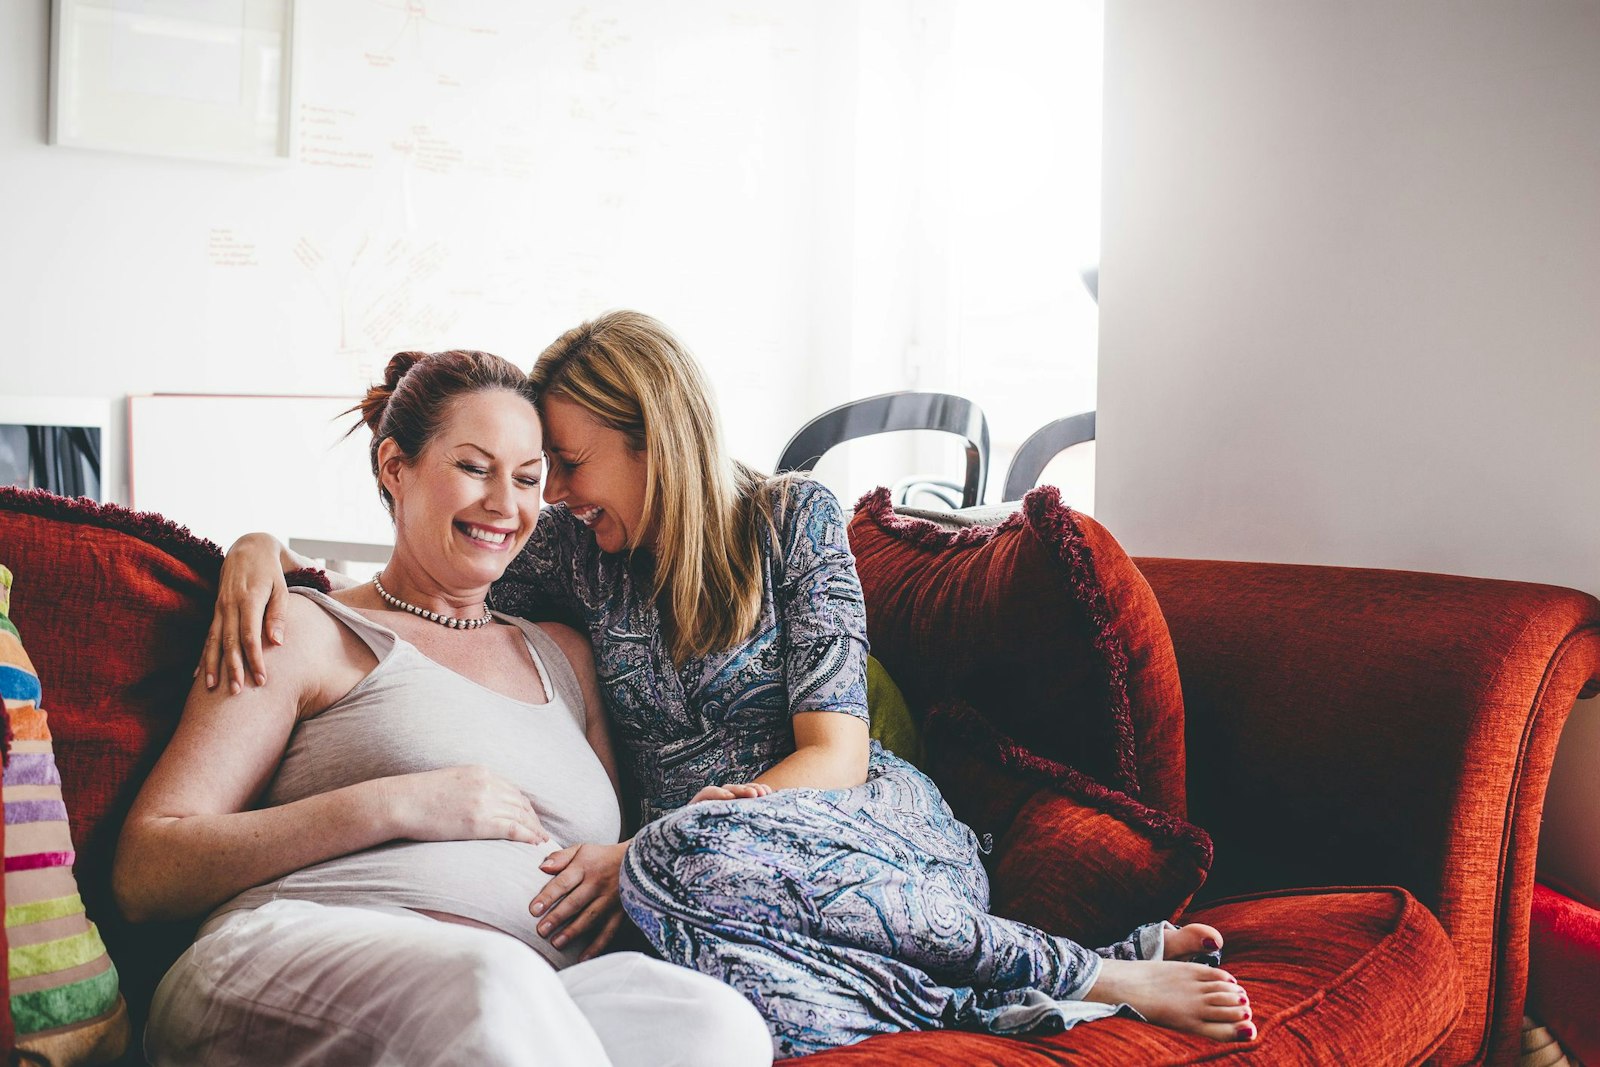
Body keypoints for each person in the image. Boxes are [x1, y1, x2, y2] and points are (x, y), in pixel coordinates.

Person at [205, 314, 1258, 1059]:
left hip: (847, 822)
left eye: (565, 463)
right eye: (543, 475)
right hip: (696, 886)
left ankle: (1092, 971)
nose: (551, 494)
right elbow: (429, 575)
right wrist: (255, 552)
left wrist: (650, 848)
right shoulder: (578, 551)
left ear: (649, 437)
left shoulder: (793, 516)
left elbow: (834, 746)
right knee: (735, 1004)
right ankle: (1023, 996)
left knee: (687, 860)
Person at [114, 349, 772, 1067]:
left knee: (712, 1021)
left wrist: (688, 835)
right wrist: (396, 804)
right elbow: (146, 871)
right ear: (395, 466)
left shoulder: (564, 654)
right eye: (474, 466)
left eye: (527, 478)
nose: (505, 503)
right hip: (290, 946)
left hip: (534, 991)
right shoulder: (304, 627)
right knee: (491, 982)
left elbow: (605, 870)